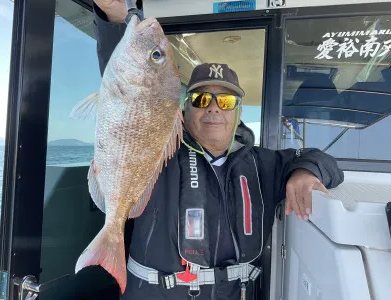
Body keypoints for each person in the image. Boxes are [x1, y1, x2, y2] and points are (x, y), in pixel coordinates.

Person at [87, 1, 344, 300]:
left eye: (225, 102)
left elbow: (324, 160)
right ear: (184, 108)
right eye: (200, 99)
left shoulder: (263, 164)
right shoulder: (161, 154)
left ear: (237, 113)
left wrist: (304, 171)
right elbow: (129, 93)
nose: (212, 108)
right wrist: (116, 18)